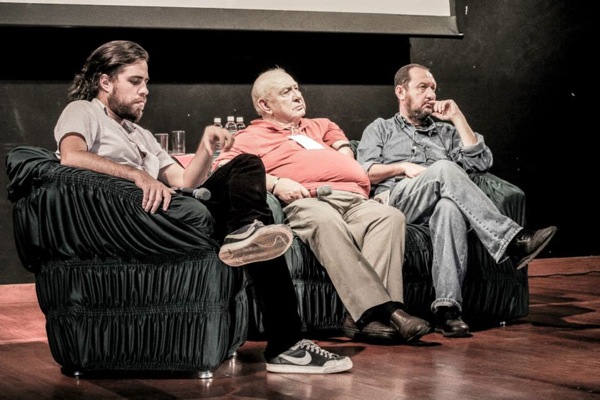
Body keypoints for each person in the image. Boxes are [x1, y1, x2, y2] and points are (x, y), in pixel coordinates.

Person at [53, 40, 352, 374]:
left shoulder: (140, 134)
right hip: (136, 217)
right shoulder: (83, 111)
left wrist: (206, 148)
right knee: (255, 216)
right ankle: (285, 343)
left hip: (170, 206)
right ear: (105, 82)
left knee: (249, 176)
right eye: (135, 81)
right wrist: (137, 175)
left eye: (146, 82)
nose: (145, 90)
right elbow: (72, 156)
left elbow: (184, 180)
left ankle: (249, 241)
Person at [214, 67, 432, 344]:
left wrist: (343, 156)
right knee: (325, 221)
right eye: (286, 92)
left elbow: (341, 145)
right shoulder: (249, 137)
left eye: (296, 88)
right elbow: (224, 169)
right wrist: (277, 183)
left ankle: (360, 318)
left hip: (354, 198)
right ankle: (387, 311)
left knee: (389, 216)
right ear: (265, 105)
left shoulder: (320, 125)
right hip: (309, 200)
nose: (297, 95)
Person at [357, 63, 557, 338]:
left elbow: (481, 162)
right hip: (397, 201)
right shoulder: (381, 128)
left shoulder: (446, 133)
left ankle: (447, 309)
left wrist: (457, 117)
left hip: (436, 204)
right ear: (401, 92)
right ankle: (512, 240)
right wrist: (402, 167)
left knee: (449, 208)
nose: (431, 94)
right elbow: (365, 172)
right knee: (444, 168)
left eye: (433, 88)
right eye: (422, 87)